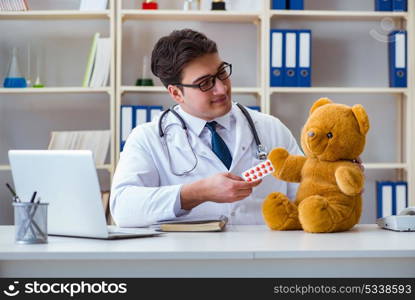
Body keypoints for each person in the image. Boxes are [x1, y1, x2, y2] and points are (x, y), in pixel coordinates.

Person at [110, 29, 303, 227]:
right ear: (176, 93)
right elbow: (123, 208)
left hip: (267, 253)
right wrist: (197, 193)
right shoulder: (148, 138)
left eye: (221, 73)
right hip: (191, 255)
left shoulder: (271, 129)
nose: (222, 88)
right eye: (205, 83)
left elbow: (308, 191)